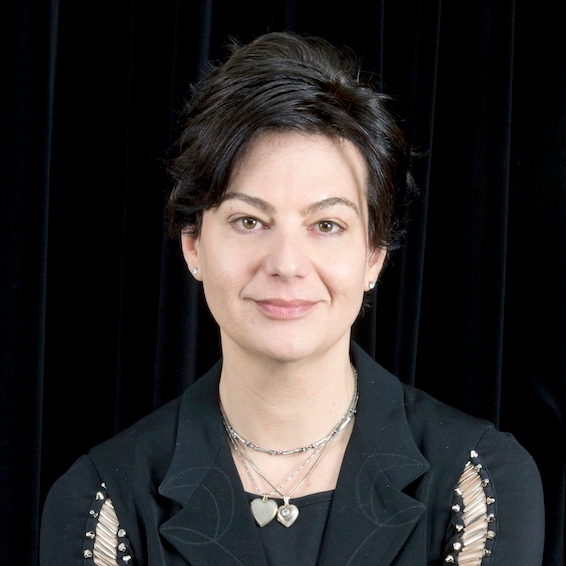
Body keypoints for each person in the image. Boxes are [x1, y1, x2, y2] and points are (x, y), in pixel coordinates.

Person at [40, 31, 545, 566]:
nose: (286, 263)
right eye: (249, 221)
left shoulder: (477, 481)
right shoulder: (103, 502)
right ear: (193, 243)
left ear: (374, 254)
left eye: (326, 225)